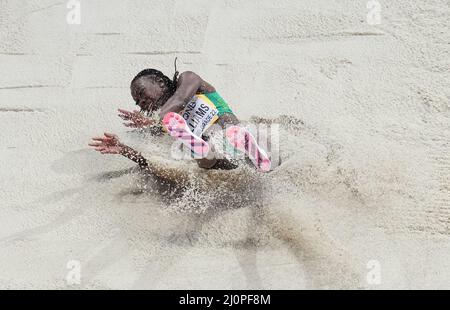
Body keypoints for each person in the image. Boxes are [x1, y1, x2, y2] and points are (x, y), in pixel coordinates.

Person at [89, 61, 271, 172]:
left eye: (142, 94)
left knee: (227, 132)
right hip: (219, 153)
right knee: (205, 161)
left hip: (225, 125)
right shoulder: (165, 124)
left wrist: (156, 120)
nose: (142, 103)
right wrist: (123, 149)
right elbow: (153, 162)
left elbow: (180, 98)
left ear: (160, 82)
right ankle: (205, 148)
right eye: (138, 103)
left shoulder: (188, 78)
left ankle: (243, 144)